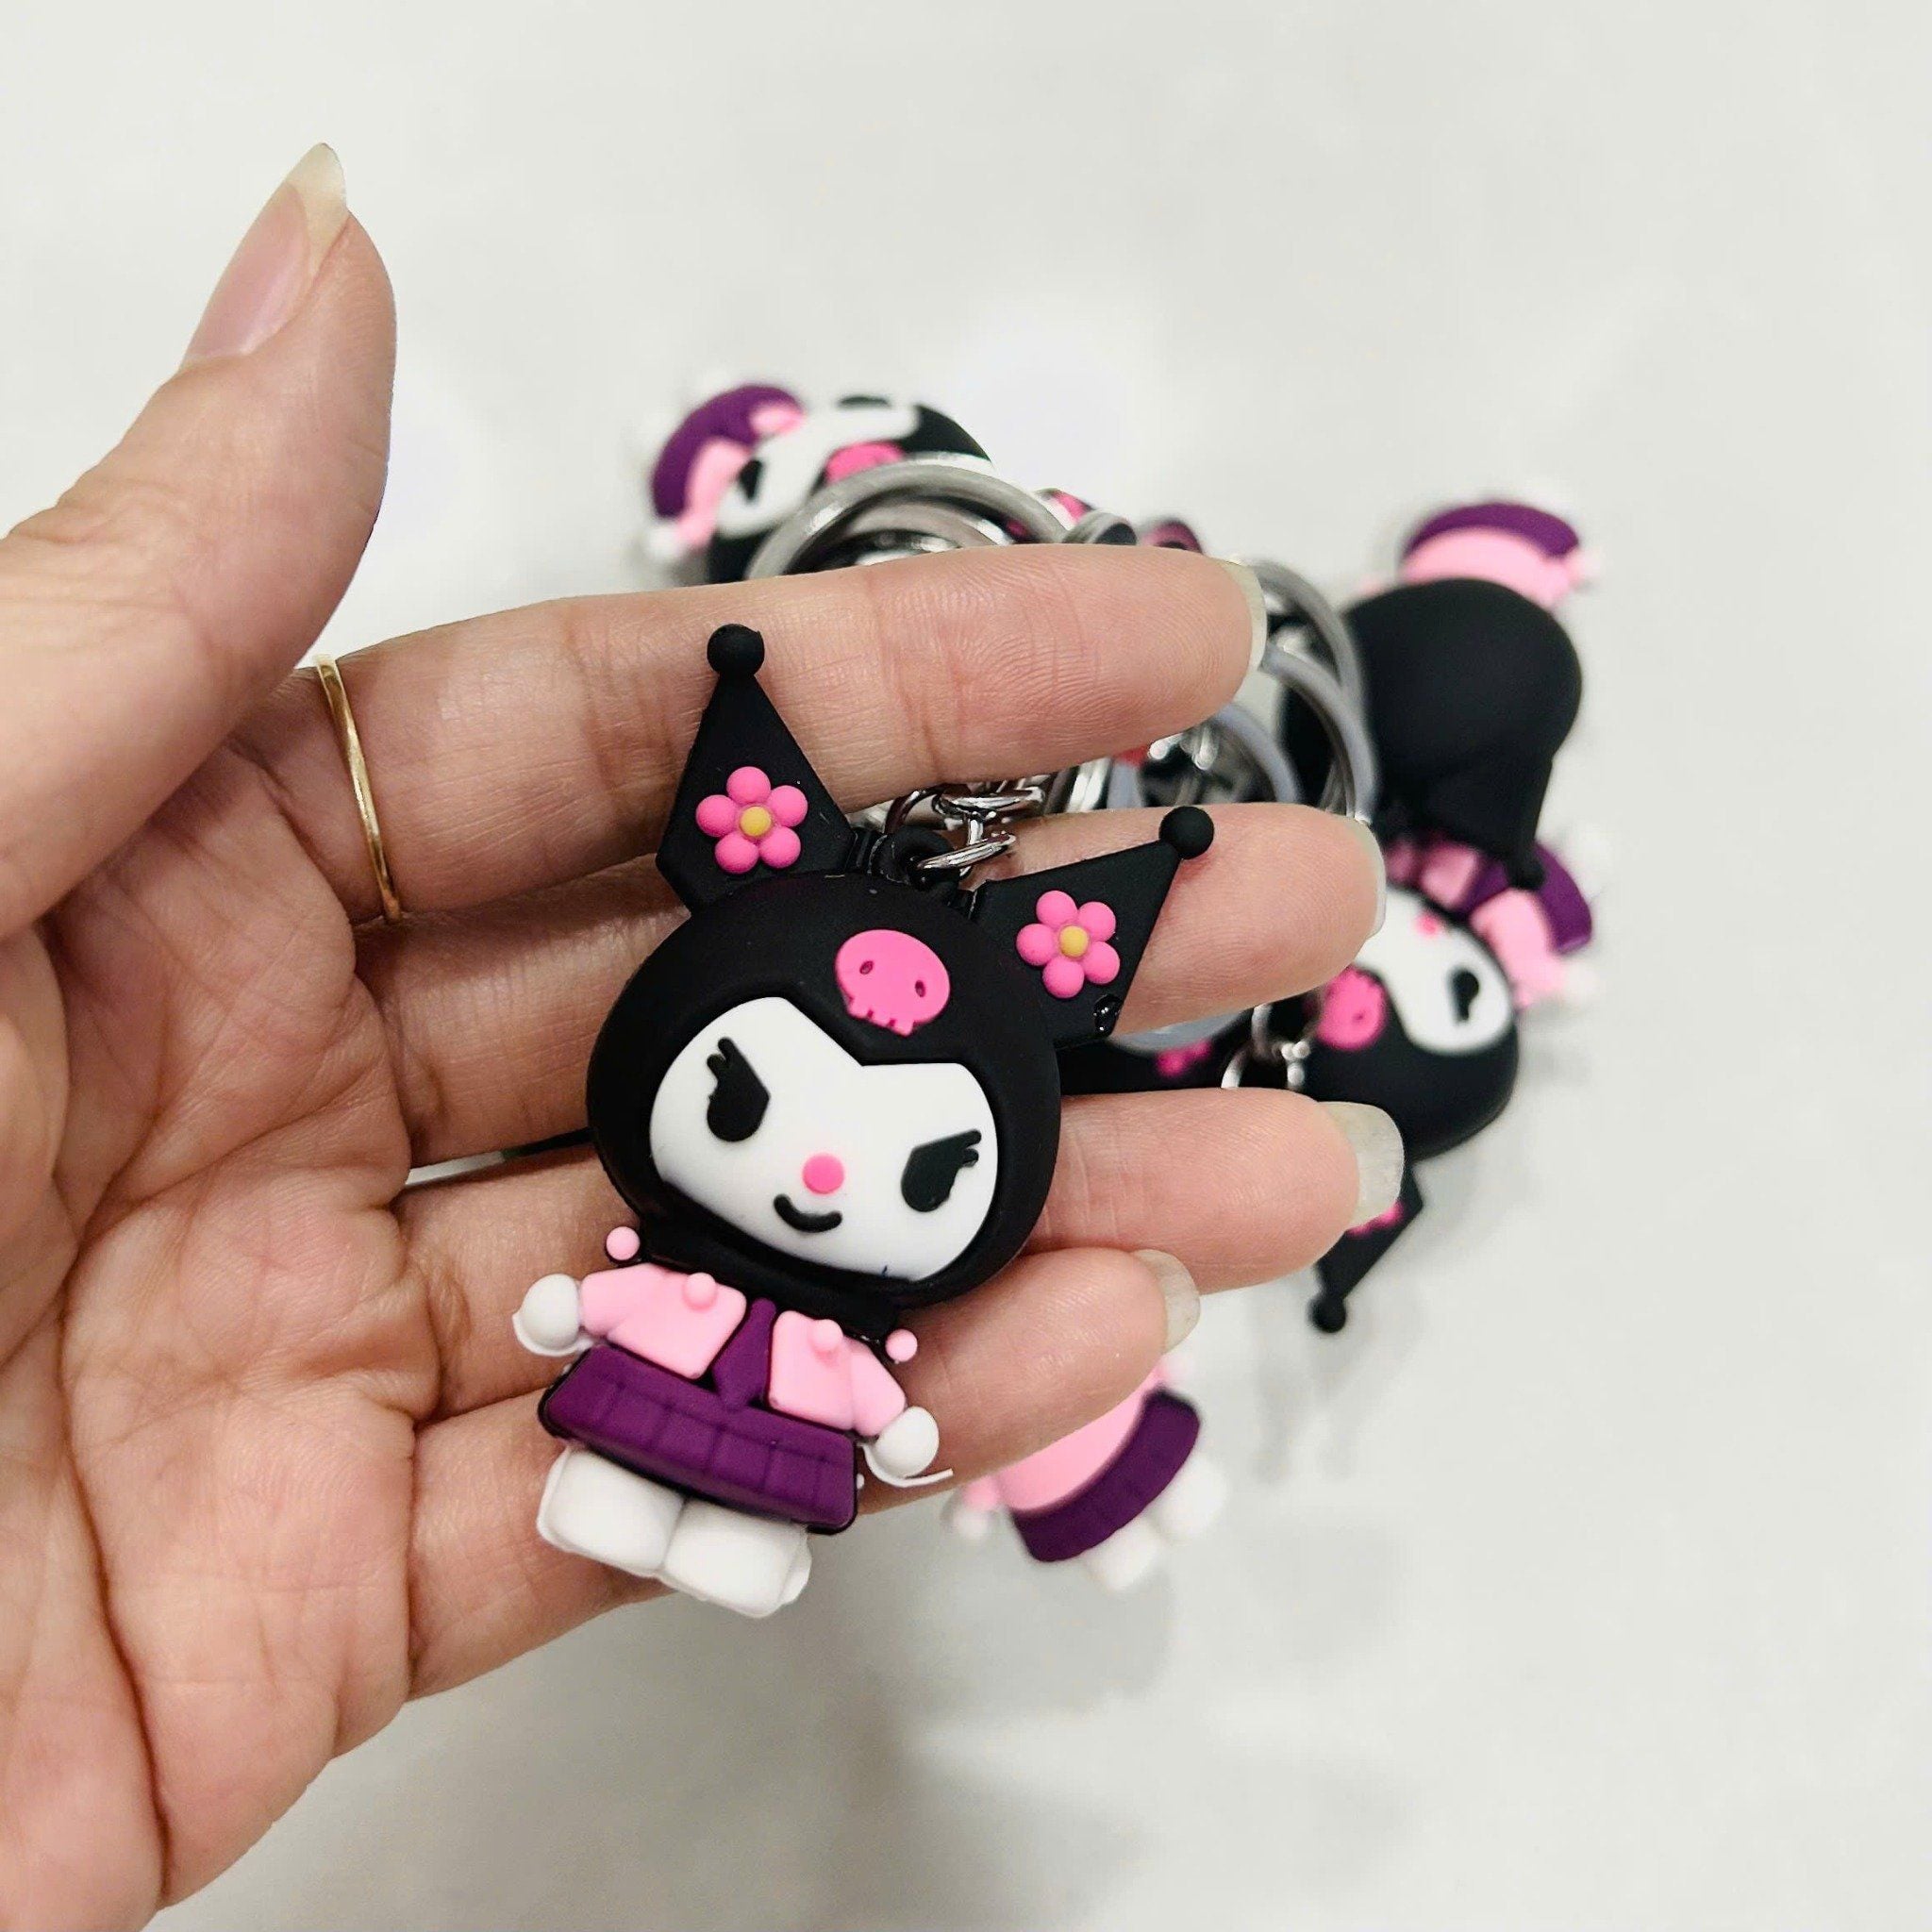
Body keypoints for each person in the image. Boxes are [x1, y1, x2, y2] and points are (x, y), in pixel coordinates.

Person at [0, 145, 1396, 1925]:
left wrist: (891, 1433)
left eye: (909, 1168)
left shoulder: (845, 1266)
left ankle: (726, 1536)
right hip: (646, 1369)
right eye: (752, 1100)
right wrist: (590, 1321)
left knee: (746, 1511)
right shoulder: (679, 1213)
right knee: (617, 1483)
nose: (812, 1177)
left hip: (789, 1425)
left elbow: (880, 1400)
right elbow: (617, 1308)